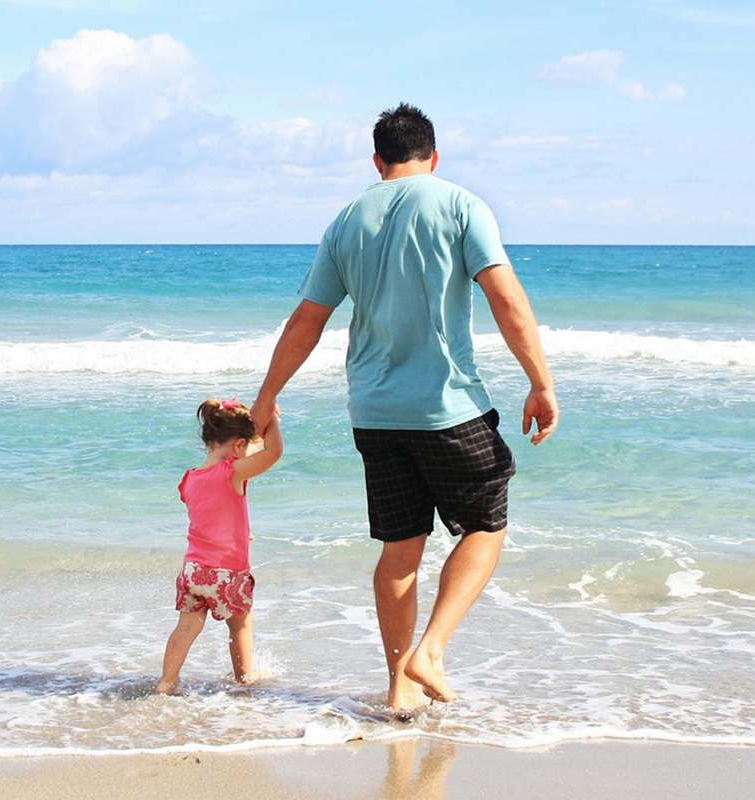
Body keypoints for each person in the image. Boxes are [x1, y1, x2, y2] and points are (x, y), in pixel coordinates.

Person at [249, 102, 558, 717]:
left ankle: (400, 688)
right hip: (445, 407)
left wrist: (267, 395)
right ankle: (431, 652)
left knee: (399, 550)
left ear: (377, 160)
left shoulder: (347, 220)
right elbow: (505, 298)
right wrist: (541, 382)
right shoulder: (461, 204)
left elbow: (309, 320)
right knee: (486, 526)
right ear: (433, 156)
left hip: (374, 411)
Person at [155, 398, 284, 695]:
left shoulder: (189, 479)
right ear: (239, 446)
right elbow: (273, 452)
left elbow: (212, 512)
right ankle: (244, 679)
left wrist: (242, 530)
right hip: (227, 573)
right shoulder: (232, 472)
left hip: (193, 572)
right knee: (239, 625)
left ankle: (167, 682)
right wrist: (272, 420)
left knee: (186, 627)